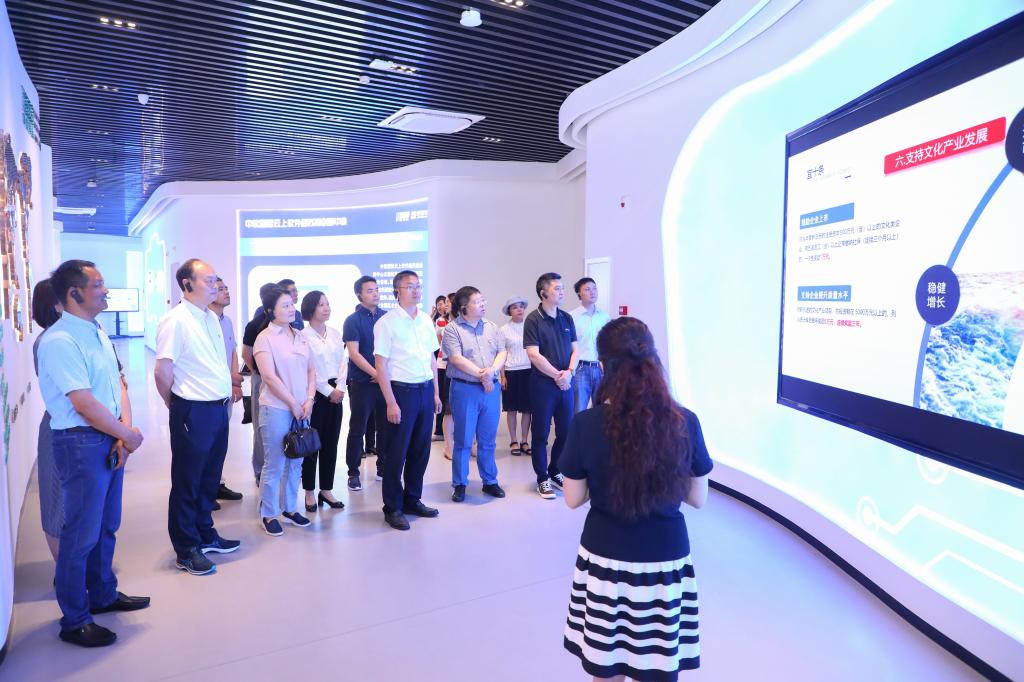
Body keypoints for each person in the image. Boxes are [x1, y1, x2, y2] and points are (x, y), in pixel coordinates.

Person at [559, 317, 712, 681]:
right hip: (665, 558)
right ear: (653, 359)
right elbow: (698, 498)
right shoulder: (685, 421)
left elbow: (573, 498)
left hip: (605, 558)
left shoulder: (586, 424)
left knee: (605, 664)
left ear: (603, 366)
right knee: (657, 663)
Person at [37, 260, 148, 647]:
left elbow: (117, 383)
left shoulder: (96, 331)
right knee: (80, 535)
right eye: (98, 284)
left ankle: (102, 594)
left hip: (107, 437)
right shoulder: (60, 341)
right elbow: (83, 403)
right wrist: (126, 435)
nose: (106, 290)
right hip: (81, 442)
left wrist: (123, 433)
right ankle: (75, 619)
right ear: (74, 293)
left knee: (106, 525)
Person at [155, 259, 239, 576]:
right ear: (187, 284)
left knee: (209, 478)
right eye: (209, 280)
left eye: (216, 280)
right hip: (193, 409)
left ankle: (205, 533)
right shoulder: (175, 320)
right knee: (188, 481)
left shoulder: (211, 318)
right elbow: (162, 371)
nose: (215, 285)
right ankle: (186, 548)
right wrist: (176, 404)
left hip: (217, 408)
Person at [374, 270, 442, 531]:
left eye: (418, 286)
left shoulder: (425, 320)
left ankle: (412, 499)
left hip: (425, 390)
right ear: (397, 291)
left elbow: (432, 359)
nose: (416, 290)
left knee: (420, 451)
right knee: (396, 452)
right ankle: (392, 507)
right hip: (401, 392)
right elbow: (381, 365)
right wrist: (391, 402)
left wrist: (436, 393)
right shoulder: (387, 323)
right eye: (409, 286)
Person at [254, 285, 317, 535]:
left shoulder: (300, 335)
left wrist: (309, 399)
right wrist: (292, 403)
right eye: (285, 305)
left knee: (296, 460)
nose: (291, 309)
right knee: (276, 463)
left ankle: (290, 508)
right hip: (277, 408)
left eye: (292, 304)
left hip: (302, 408)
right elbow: (269, 377)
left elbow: (311, 370)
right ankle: (268, 513)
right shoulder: (265, 338)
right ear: (271, 311)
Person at [442, 286, 507, 502]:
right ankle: (460, 483)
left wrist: (492, 372)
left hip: (491, 390)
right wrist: (482, 375)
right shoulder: (452, 329)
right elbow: (456, 359)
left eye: (483, 300)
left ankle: (490, 481)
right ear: (464, 307)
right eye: (477, 302)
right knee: (463, 439)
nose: (483, 304)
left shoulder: (492, 327)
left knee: (488, 440)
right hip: (465, 389)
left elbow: (502, 351)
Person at [523, 272, 578, 500]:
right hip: (544, 384)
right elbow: (534, 355)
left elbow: (575, 350)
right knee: (541, 433)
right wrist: (557, 375)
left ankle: (555, 470)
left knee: (565, 431)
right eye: (557, 288)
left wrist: (569, 373)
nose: (562, 292)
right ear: (543, 293)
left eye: (563, 288)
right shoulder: (533, 319)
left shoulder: (567, 318)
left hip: (566, 383)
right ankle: (542, 478)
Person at [300, 290, 347, 511]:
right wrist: (328, 391)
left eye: (327, 304)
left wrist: (340, 388)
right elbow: (308, 369)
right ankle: (309, 491)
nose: (326, 308)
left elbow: (343, 363)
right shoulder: (302, 336)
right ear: (310, 308)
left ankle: (326, 490)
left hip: (337, 394)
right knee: (312, 444)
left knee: (331, 443)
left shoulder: (335, 334)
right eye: (321, 305)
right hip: (315, 394)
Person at [343, 276, 388, 491]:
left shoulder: (387, 317)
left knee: (386, 427)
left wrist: (383, 376)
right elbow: (354, 353)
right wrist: (376, 373)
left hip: (385, 383)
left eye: (377, 289)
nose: (375, 293)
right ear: (359, 295)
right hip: (362, 383)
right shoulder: (352, 320)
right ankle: (353, 472)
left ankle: (383, 467)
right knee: (357, 428)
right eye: (370, 290)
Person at [31, 279, 63, 562]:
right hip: (58, 429)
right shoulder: (49, 342)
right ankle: (64, 571)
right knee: (56, 503)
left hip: (75, 428)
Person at [208, 277, 244, 506]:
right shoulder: (205, 322)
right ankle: (206, 490)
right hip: (210, 393)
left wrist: (235, 382)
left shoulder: (227, 321)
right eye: (220, 289)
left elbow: (233, 353)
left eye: (226, 287)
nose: (226, 291)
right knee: (209, 443)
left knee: (221, 441)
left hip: (226, 391)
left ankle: (216, 484)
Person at [242, 282, 280, 483]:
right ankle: (260, 469)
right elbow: (246, 354)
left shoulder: (289, 326)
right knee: (260, 425)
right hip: (262, 379)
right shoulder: (255, 325)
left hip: (283, 379)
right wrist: (258, 372)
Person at [570, 277, 610, 413]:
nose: (592, 292)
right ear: (579, 294)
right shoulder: (572, 317)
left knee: (601, 410)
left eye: (594, 288)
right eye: (587, 289)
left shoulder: (604, 316)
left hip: (601, 368)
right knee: (578, 410)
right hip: (581, 368)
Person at [499, 296, 532, 457]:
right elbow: (501, 354)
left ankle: (525, 441)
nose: (519, 309)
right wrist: (502, 376)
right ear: (509, 311)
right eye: (515, 307)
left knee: (527, 409)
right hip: (511, 372)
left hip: (529, 371)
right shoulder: (503, 330)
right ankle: (513, 440)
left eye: (521, 306)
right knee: (511, 409)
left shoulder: (530, 327)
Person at [431, 294, 450, 444]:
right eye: (440, 304)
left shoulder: (460, 321)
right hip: (442, 364)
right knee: (442, 397)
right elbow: (439, 342)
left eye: (447, 302)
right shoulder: (440, 321)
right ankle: (439, 431)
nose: (444, 305)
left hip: (456, 365)